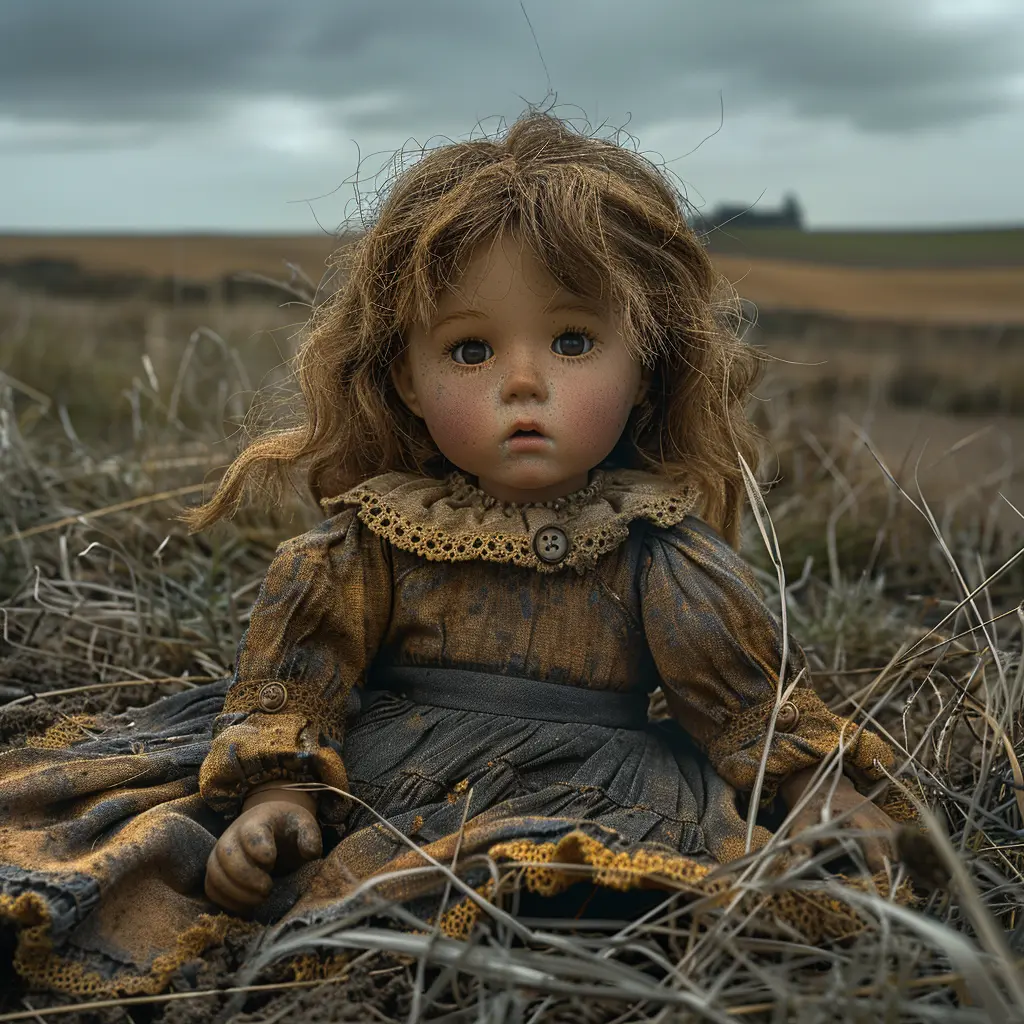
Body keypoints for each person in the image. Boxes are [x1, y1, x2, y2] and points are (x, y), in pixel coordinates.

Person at [0, 110, 916, 997]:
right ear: (407, 376)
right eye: (471, 349)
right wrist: (276, 794)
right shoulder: (376, 539)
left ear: (645, 367)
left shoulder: (660, 551)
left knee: (622, 892)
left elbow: (741, 698)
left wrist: (812, 784)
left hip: (602, 789)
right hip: (388, 777)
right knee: (194, 861)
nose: (524, 380)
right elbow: (303, 677)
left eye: (571, 341)